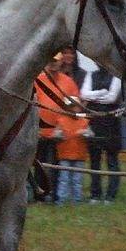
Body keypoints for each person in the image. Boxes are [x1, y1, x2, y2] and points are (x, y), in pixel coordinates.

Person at [35, 55, 80, 202]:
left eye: (55, 61)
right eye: (50, 61)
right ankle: (40, 195)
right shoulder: (38, 80)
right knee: (39, 165)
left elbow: (74, 106)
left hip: (60, 133)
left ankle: (55, 196)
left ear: (61, 62)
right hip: (40, 131)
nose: (53, 64)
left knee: (57, 166)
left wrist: (64, 126)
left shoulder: (68, 82)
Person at [81, 67, 122, 203]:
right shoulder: (90, 74)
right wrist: (102, 92)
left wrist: (94, 96)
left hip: (111, 124)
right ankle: (95, 195)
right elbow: (84, 94)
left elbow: (112, 98)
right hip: (94, 123)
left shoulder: (117, 75)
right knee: (94, 160)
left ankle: (111, 195)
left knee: (112, 161)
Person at [54, 99, 90, 204]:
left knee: (77, 180)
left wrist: (86, 133)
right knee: (64, 179)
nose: (73, 109)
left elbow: (90, 134)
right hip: (64, 155)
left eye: (75, 106)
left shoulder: (84, 121)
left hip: (79, 155)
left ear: (79, 107)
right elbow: (55, 134)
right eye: (70, 106)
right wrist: (58, 134)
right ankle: (61, 200)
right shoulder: (61, 121)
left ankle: (77, 200)